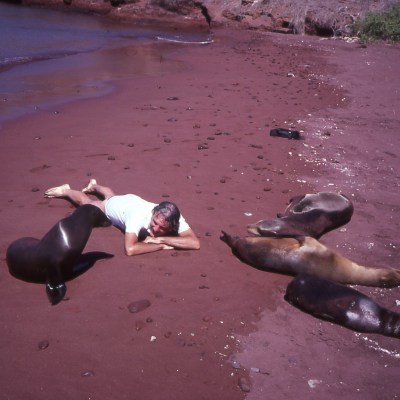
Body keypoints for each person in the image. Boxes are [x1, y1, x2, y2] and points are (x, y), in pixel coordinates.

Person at [44, 179, 200, 256]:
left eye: (162, 228)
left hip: (129, 200)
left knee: (111, 195)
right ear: (153, 213)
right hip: (114, 207)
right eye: (154, 223)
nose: (155, 228)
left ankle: (94, 186)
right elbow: (131, 249)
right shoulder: (138, 216)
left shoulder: (172, 216)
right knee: (87, 203)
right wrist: (161, 245)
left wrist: (161, 239)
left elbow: (194, 243)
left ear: (172, 225)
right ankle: (66, 190)